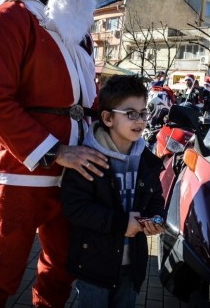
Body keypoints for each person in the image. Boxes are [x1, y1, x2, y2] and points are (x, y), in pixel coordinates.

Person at [0, 0, 108, 308]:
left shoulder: (80, 34)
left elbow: (86, 102)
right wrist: (55, 151)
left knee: (61, 269)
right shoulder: (9, 18)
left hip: (73, 176)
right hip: (20, 175)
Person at [61, 75, 166, 307]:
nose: (140, 120)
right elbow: (75, 208)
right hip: (94, 266)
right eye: (131, 113)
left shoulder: (147, 161)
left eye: (143, 113)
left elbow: (155, 198)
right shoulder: (86, 159)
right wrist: (120, 223)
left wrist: (157, 218)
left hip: (133, 265)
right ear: (107, 118)